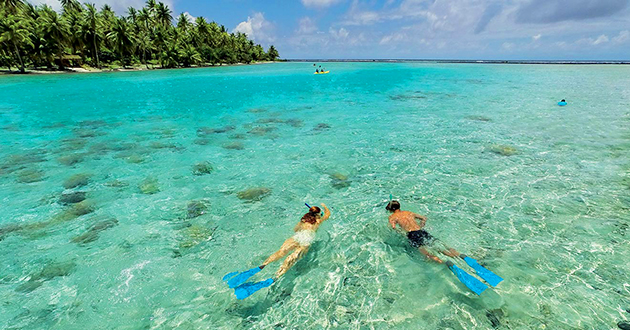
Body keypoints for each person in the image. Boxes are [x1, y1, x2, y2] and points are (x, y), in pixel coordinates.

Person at [386, 200, 502, 294]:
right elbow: (424, 218)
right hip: (422, 232)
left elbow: (394, 228)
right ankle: (463, 257)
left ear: (391, 209)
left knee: (428, 255)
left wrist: (403, 233)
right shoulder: (409, 212)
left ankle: (447, 263)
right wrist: (421, 226)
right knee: (444, 249)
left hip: (412, 235)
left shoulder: (392, 217)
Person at [223, 204, 331, 299]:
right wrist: (325, 207)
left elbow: (296, 229)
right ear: (317, 215)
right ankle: (275, 278)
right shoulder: (318, 221)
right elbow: (328, 214)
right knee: (290, 259)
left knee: (280, 253)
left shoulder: (303, 220)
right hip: (305, 242)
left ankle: (262, 266)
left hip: (296, 238)